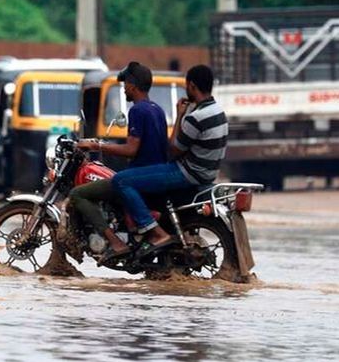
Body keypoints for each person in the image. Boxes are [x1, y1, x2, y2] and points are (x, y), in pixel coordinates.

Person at [111, 64, 228, 258]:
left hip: (187, 173)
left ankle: (154, 232)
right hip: (208, 174)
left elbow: (172, 151)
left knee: (120, 180)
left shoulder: (196, 118)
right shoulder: (218, 112)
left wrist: (181, 115)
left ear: (191, 86)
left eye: (186, 86)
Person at [70, 62, 168, 261]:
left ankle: (115, 242)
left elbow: (131, 149)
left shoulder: (137, 110)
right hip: (154, 174)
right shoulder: (157, 109)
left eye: (125, 85)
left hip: (140, 177)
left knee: (78, 194)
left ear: (132, 85)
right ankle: (128, 226)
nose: (124, 88)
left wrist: (96, 145)